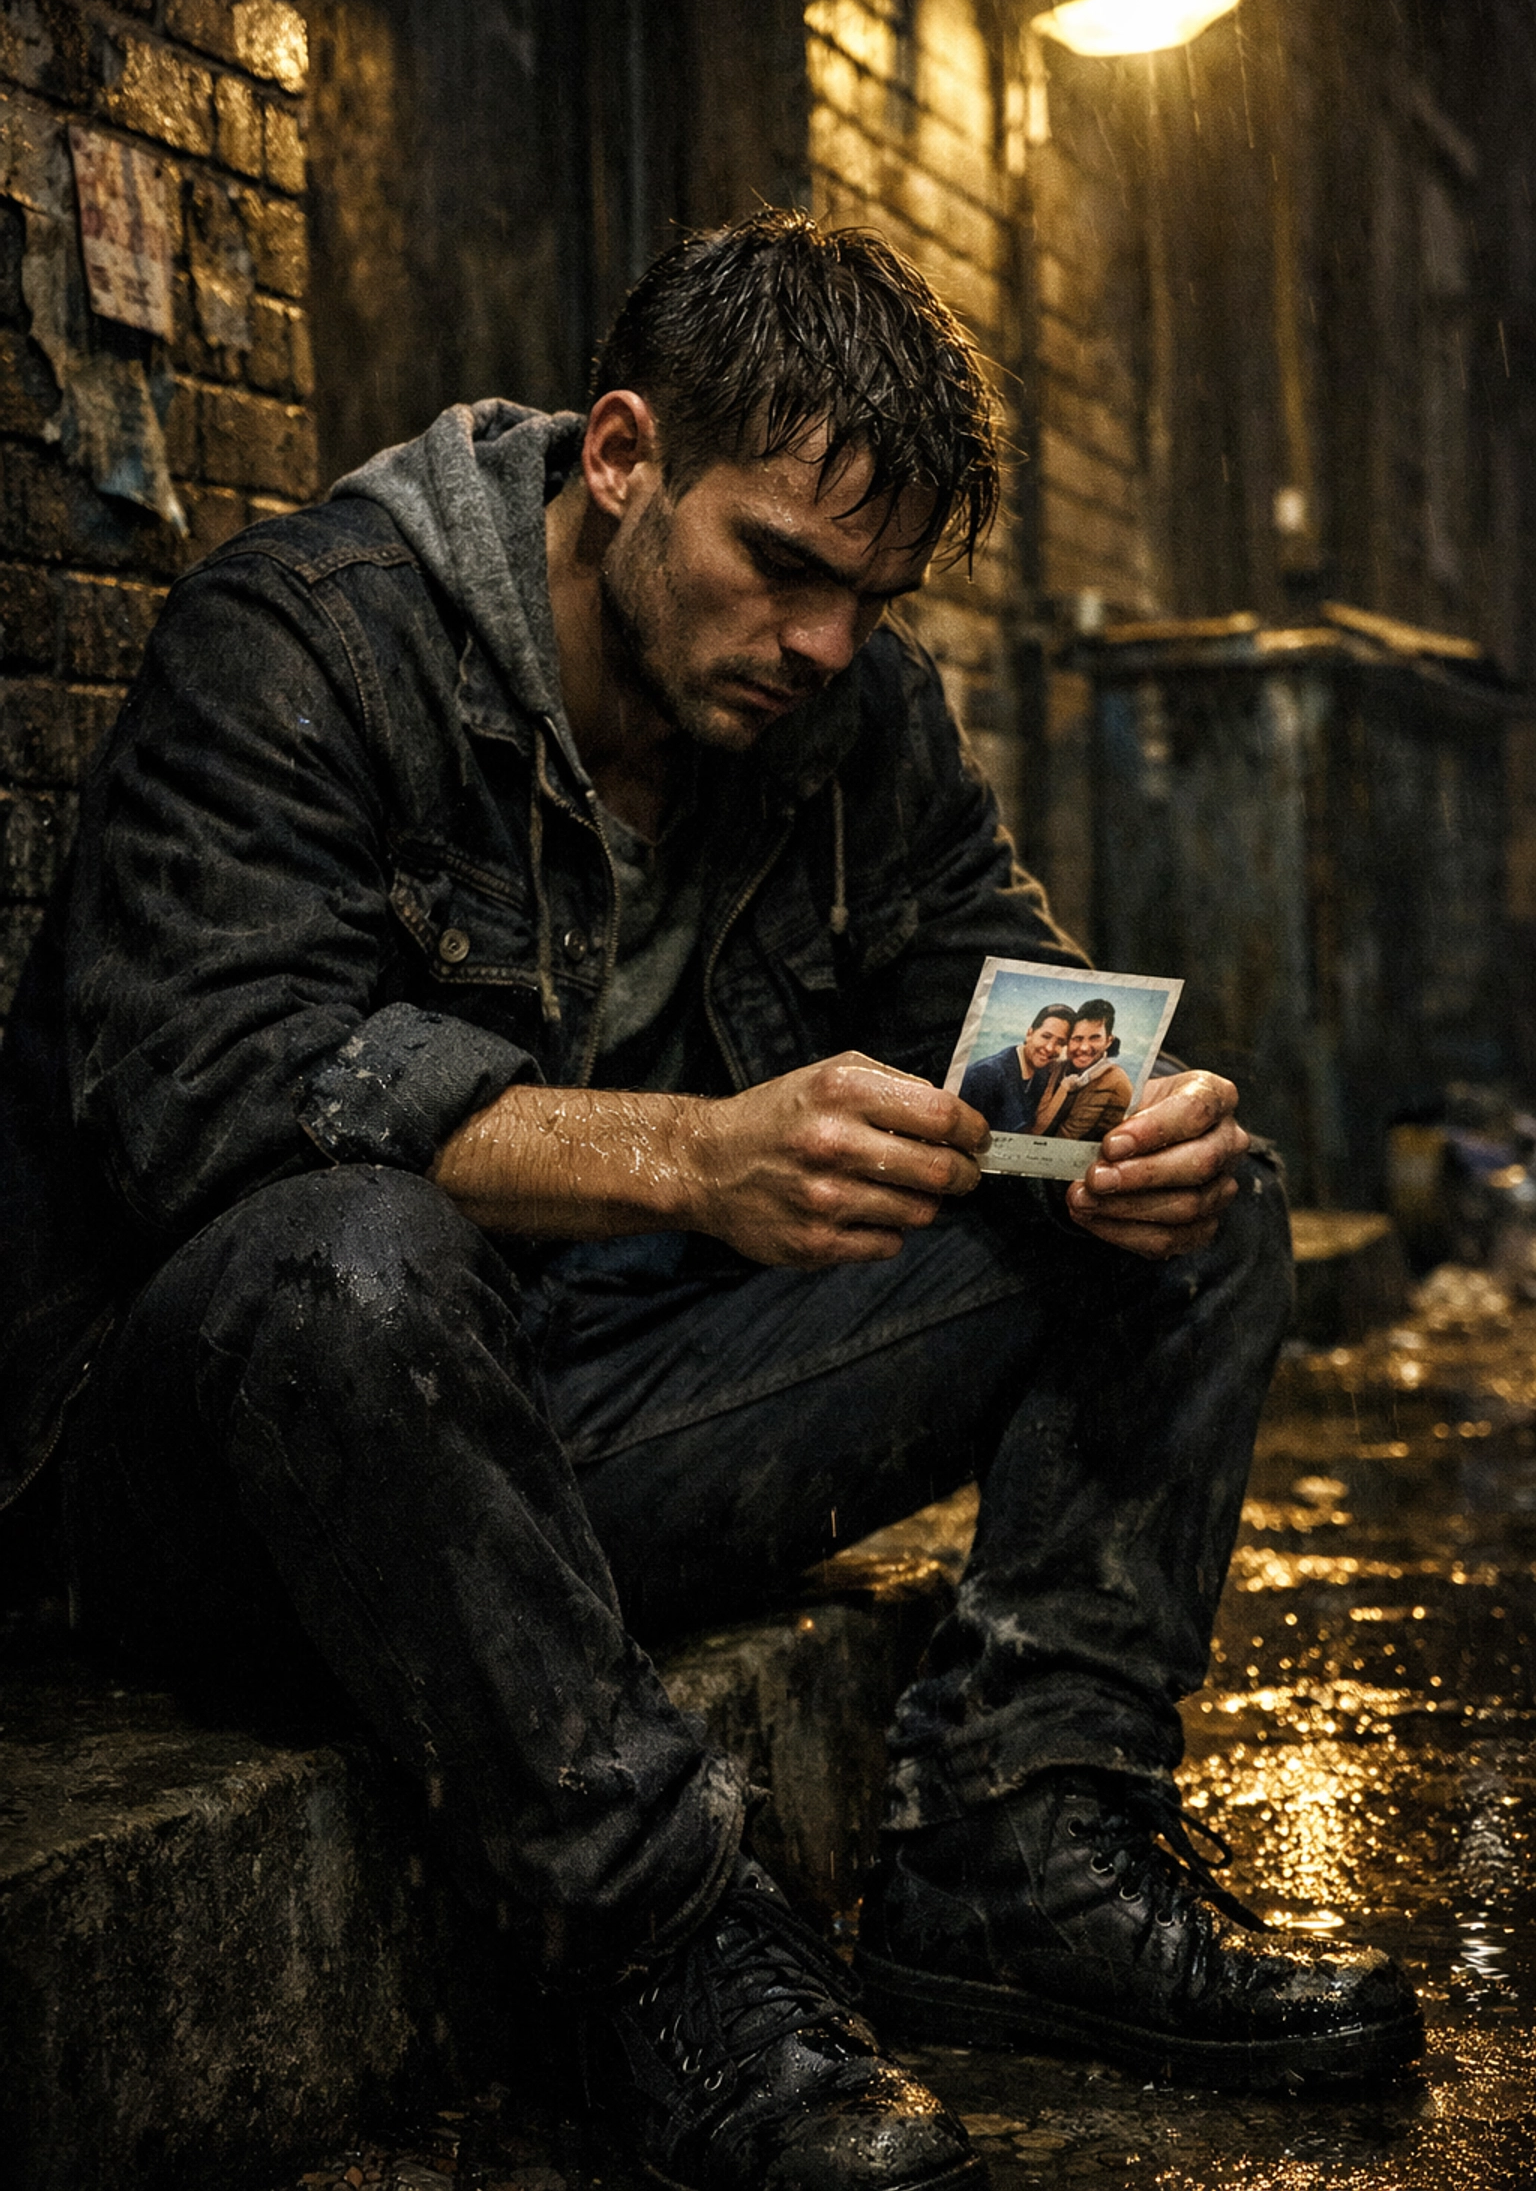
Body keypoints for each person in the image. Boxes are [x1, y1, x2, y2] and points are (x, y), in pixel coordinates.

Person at [0, 210, 1421, 2191]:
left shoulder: (851, 711)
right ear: (620, 455)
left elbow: (1006, 1028)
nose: (828, 639)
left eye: (877, 592)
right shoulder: (305, 638)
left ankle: (1019, 1855)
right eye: (786, 566)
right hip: (238, 1482)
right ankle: (671, 1963)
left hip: (587, 1426)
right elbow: (203, 1100)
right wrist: (694, 1156)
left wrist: (1122, 1118)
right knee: (353, 1255)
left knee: (1211, 1204)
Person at [1030, 1001, 1136, 1145]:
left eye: (1095, 1038)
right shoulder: (1061, 1067)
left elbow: (1064, 1139)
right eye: (1077, 1039)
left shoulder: (1113, 1081)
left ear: (1108, 1041)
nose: (1084, 1047)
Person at [958, 1003, 1073, 1132]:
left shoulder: (1043, 1073)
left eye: (1060, 1042)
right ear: (1029, 1034)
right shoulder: (985, 1075)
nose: (1050, 1048)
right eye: (1046, 1037)